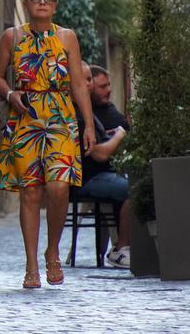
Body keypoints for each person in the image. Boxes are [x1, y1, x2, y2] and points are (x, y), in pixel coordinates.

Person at [0, 0, 96, 289]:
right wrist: (10, 94)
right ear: (25, 2)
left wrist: (89, 123)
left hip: (61, 116)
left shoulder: (67, 37)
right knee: (31, 191)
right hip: (25, 117)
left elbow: (79, 83)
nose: (42, 2)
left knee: (58, 187)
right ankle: (31, 264)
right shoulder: (11, 37)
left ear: (55, 5)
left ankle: (52, 249)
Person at [77, 64, 132, 269]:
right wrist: (118, 136)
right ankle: (121, 249)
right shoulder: (78, 113)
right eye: (87, 80)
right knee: (133, 189)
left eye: (91, 80)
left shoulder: (94, 111)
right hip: (89, 177)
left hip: (103, 174)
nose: (89, 85)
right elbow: (99, 154)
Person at [88, 64, 130, 132]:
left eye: (109, 85)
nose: (109, 90)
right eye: (103, 86)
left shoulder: (110, 110)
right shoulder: (80, 113)